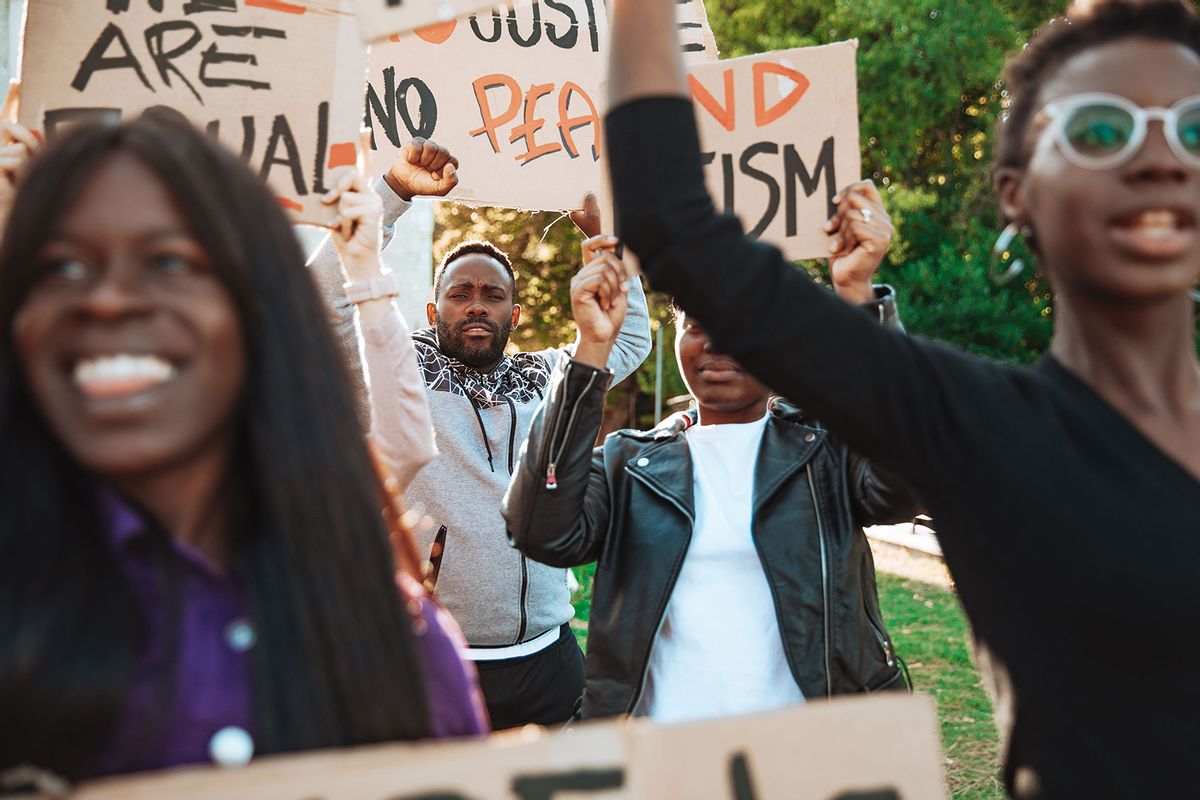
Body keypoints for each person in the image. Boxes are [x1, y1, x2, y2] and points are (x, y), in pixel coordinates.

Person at [602, 0, 1200, 796]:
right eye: (1100, 129)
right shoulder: (976, 423)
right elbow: (670, 218)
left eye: (1193, 129)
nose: (1159, 158)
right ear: (1017, 192)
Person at [0, 109, 485, 786]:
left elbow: (402, 443)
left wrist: (368, 259)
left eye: (169, 261)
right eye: (58, 266)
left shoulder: (399, 650)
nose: (106, 300)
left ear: (261, 322)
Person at [502, 213, 919, 723]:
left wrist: (860, 299)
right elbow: (538, 528)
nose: (718, 342)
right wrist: (591, 349)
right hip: (666, 760)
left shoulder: (828, 453)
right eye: (698, 322)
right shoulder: (630, 465)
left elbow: (906, 483)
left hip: (813, 756)